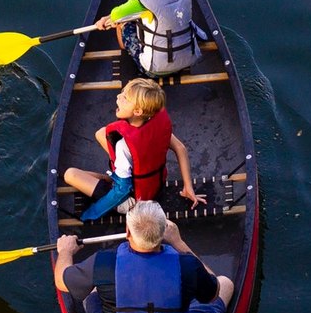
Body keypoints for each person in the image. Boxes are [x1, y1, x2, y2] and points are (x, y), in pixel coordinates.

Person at [54, 200, 235, 313]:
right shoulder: (187, 265)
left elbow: (61, 282)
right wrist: (179, 242)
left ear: (127, 232)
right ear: (163, 232)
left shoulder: (102, 264)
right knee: (226, 283)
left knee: (90, 288)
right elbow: (214, 293)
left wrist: (65, 251)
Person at [63, 77, 205, 221]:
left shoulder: (123, 145)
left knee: (70, 174)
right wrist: (188, 187)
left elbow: (121, 190)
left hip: (134, 201)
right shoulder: (155, 119)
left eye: (124, 98)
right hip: (156, 185)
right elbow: (180, 148)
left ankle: (113, 179)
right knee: (101, 133)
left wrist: (91, 213)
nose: (118, 96)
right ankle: (114, 176)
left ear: (137, 111)